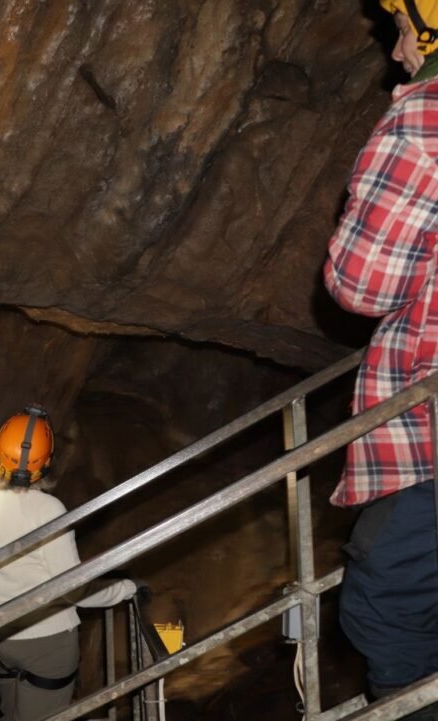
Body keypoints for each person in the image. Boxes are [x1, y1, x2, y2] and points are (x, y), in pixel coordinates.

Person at [324, 1, 438, 710]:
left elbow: (360, 284)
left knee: (387, 606)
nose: (397, 54)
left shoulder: (426, 119)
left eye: (402, 31)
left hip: (428, 439)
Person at [0, 406, 136, 721]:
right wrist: (124, 588)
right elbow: (73, 588)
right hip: (42, 642)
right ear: (45, 463)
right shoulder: (48, 509)